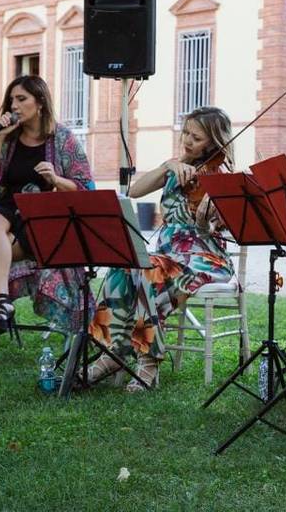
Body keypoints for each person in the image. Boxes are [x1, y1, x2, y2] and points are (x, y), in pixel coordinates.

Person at [87, 106, 235, 392]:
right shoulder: (176, 169)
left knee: (150, 269)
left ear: (215, 143)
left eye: (198, 138)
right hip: (168, 255)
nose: (189, 141)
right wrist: (168, 165)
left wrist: (211, 217)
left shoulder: (220, 177)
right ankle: (110, 351)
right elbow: (134, 191)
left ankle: (148, 360)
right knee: (125, 264)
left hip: (205, 258)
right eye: (187, 134)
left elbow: (225, 226)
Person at [0, 75, 93, 366]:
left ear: (40, 102)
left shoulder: (62, 138)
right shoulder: (9, 140)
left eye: (21, 99)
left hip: (44, 217)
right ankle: (2, 303)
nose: (14, 105)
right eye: (12, 100)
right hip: (11, 208)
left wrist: (56, 179)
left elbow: (86, 187)